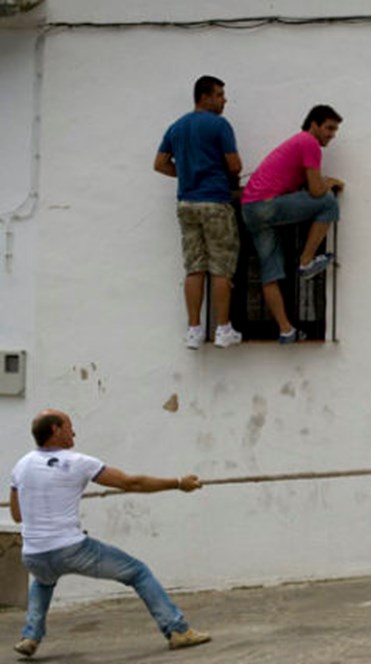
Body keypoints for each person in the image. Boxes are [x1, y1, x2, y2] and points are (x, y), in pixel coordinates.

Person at [8, 410, 211, 658]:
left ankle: (31, 636)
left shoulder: (21, 465)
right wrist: (178, 483)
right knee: (138, 571)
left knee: (42, 581)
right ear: (55, 430)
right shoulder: (79, 462)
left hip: (33, 554)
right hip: (71, 549)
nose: (74, 432)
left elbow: (18, 515)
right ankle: (178, 630)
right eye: (69, 426)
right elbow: (131, 483)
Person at [241, 104, 345, 344]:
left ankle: (286, 330)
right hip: (266, 205)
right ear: (314, 125)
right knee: (329, 203)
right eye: (329, 128)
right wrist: (329, 182)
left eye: (335, 130)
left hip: (249, 208)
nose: (331, 134)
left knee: (271, 272)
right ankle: (307, 261)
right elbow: (317, 191)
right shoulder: (308, 142)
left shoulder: (297, 143)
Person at [155, 75, 244, 350]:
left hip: (186, 204)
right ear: (204, 97)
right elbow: (235, 166)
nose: (224, 100)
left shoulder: (177, 127)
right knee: (221, 268)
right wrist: (213, 172)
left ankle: (194, 329)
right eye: (219, 95)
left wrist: (187, 172)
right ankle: (222, 329)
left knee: (194, 267)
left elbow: (160, 164)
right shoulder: (219, 125)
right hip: (215, 202)